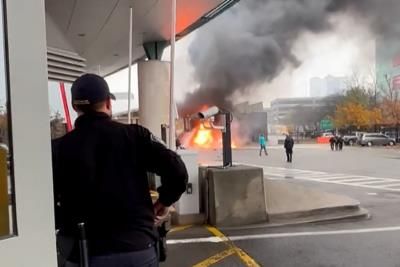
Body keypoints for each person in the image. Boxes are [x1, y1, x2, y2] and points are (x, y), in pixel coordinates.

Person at [52, 74, 188, 267]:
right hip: (137, 250)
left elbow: (43, 202)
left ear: (75, 107)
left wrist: (66, 222)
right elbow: (177, 171)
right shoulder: (135, 136)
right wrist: (165, 200)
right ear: (108, 102)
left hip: (84, 254)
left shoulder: (59, 148)